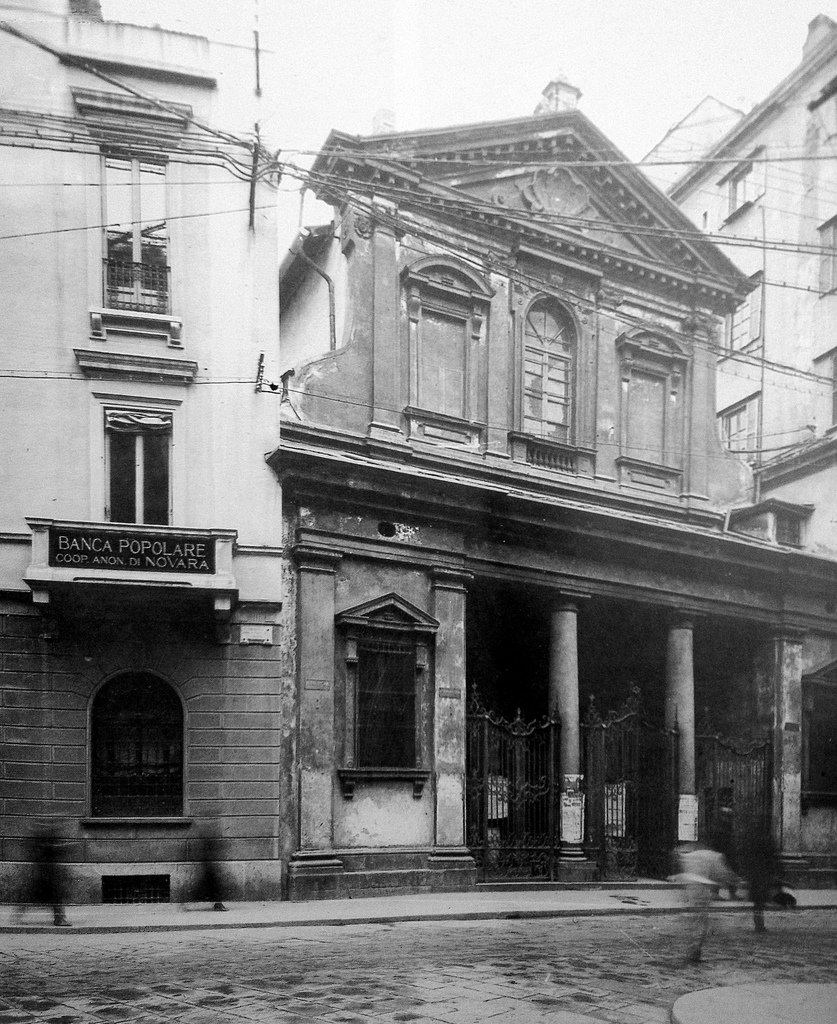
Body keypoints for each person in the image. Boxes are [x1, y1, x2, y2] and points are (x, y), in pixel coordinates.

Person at [671, 843, 740, 963]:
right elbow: (723, 874)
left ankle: (693, 950)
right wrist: (732, 881)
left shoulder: (692, 857)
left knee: (696, 921)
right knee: (700, 922)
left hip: (693, 888)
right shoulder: (716, 857)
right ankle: (694, 952)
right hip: (700, 890)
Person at [12, 824, 70, 926]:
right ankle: (60, 919)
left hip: (44, 873)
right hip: (46, 874)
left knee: (32, 895)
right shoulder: (45, 843)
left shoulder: (41, 842)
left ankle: (16, 916)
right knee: (54, 896)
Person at [737, 816, 782, 933]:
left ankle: (759, 924)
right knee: (760, 901)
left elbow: (746, 856)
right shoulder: (766, 839)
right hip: (763, 874)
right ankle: (759, 925)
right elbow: (772, 856)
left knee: (758, 901)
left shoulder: (751, 839)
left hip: (755, 874)